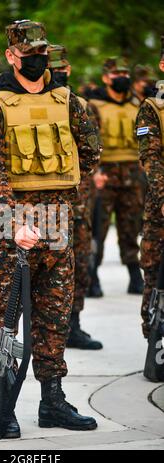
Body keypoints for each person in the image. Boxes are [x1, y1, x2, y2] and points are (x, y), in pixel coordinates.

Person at [0, 19, 100, 437]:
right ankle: (4, 402)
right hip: (12, 228)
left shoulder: (69, 101)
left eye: (42, 54)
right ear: (11, 56)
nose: (36, 61)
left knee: (54, 318)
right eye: (28, 55)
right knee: (6, 318)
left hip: (58, 225)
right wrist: (15, 220)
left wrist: (64, 195)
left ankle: (53, 402)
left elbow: (89, 151)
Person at [48, 44, 103, 350]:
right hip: (42, 207)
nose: (60, 72)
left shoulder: (80, 105)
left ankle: (74, 325)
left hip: (78, 201)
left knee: (78, 265)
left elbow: (94, 149)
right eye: (54, 67)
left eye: (63, 67)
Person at [89, 57, 145, 295]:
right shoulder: (94, 105)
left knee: (131, 225)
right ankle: (92, 277)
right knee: (98, 228)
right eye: (115, 74)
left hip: (132, 171)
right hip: (104, 173)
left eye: (124, 73)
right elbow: (89, 143)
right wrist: (94, 171)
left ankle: (134, 275)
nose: (121, 77)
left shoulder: (137, 104)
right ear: (105, 78)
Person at [136, 36, 164, 340]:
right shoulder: (152, 109)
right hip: (161, 207)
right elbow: (151, 159)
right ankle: (154, 340)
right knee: (155, 274)